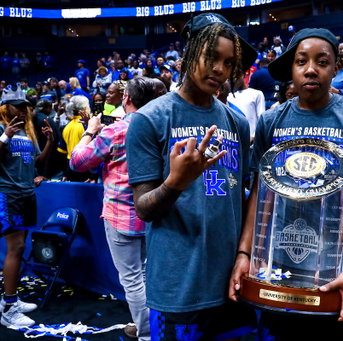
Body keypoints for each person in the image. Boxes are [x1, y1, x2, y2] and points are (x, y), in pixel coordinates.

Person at [230, 27, 343, 340]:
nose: (311, 69)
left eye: (322, 61)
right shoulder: (271, 121)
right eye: (301, 61)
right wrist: (244, 254)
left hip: (336, 266)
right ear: (291, 69)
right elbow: (259, 193)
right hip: (278, 269)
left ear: (336, 68)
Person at [126, 12, 257, 341]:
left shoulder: (236, 123)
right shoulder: (149, 119)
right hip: (178, 289)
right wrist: (175, 183)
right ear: (188, 53)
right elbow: (143, 208)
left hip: (231, 284)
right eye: (211, 57)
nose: (219, 70)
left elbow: (238, 198)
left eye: (228, 63)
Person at [70, 78, 157, 340]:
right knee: (143, 274)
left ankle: (146, 334)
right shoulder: (157, 127)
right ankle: (144, 324)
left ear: (126, 98)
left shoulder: (116, 130)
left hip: (122, 216)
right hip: (152, 214)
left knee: (131, 278)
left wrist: (90, 131)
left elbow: (78, 162)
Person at [0, 84, 54, 328]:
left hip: (26, 194)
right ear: (5, 108)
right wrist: (5, 137)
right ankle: (9, 309)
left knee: (20, 247)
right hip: (8, 195)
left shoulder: (28, 133)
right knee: (17, 246)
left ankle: (8, 299)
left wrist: (49, 142)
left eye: (25, 107)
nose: (23, 111)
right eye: (17, 107)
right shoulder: (2, 129)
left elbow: (38, 162)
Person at [57, 95, 96, 182]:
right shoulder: (88, 126)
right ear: (85, 108)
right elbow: (96, 151)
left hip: (71, 169)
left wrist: (65, 173)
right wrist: (94, 175)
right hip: (87, 171)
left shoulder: (66, 127)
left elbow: (61, 153)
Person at [228, 77, 265, 142]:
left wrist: (254, 136)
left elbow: (261, 118)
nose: (234, 80)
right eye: (231, 78)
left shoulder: (257, 94)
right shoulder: (229, 96)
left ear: (243, 74)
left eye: (236, 77)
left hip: (252, 140)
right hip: (235, 140)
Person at [32, 99, 62, 180]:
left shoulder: (43, 121)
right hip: (50, 167)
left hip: (49, 169)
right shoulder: (44, 119)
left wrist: (44, 174)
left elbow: (49, 148)